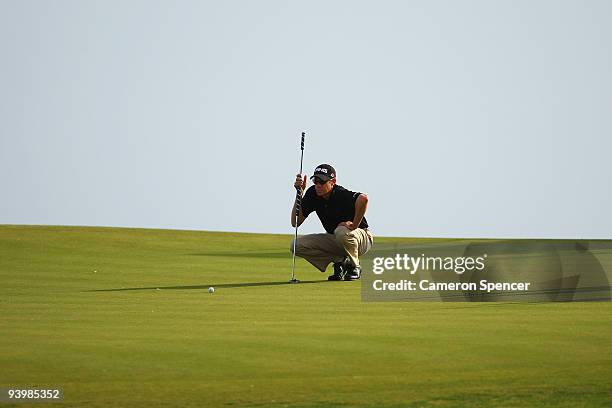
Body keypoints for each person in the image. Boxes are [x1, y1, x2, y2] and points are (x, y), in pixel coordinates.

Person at [290, 164, 374, 281]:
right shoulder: (313, 194)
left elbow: (363, 198)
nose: (318, 185)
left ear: (333, 182)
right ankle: (339, 262)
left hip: (362, 238)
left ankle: (354, 266)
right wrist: (299, 194)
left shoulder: (340, 193)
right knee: (296, 245)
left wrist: (354, 224)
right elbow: (295, 222)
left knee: (341, 231)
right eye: (315, 181)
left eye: (322, 181)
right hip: (337, 238)